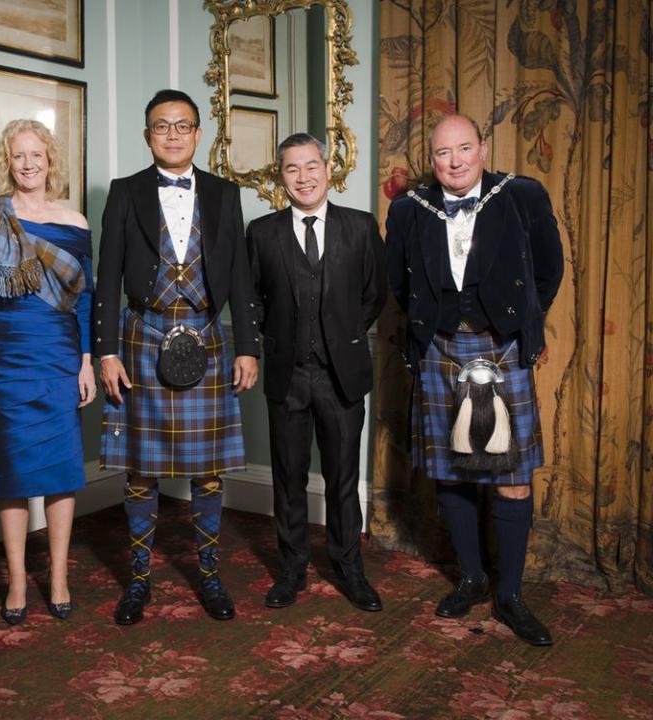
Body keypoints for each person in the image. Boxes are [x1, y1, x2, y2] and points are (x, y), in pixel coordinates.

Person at [385, 114, 564, 646]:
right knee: (451, 471)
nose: (456, 161)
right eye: (444, 152)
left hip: (501, 346)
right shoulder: (409, 209)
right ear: (432, 158)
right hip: (440, 347)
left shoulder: (521, 195)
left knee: (510, 476)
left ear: (483, 149)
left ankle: (509, 596)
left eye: (465, 149)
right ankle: (471, 577)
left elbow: (549, 269)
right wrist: (428, 328)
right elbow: (399, 281)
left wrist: (523, 324)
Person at [95, 89, 260, 625]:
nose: (172, 134)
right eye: (161, 126)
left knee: (207, 471)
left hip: (209, 338)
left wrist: (248, 348)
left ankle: (210, 577)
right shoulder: (124, 192)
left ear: (197, 133)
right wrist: (105, 352)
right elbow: (107, 279)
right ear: (147, 136)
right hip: (142, 337)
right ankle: (138, 582)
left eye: (182, 126)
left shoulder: (224, 193)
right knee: (140, 471)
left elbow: (239, 275)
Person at [0, 119, 94, 626]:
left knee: (62, 470)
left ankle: (58, 575)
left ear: (50, 160)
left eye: (37, 154)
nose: (29, 163)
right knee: (10, 474)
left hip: (59, 356)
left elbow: (85, 301)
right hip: (4, 357)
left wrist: (84, 362)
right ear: (7, 162)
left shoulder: (76, 221)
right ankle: (17, 578)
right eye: (19, 155)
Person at [247, 133, 386, 612]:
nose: (303, 177)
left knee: (343, 479)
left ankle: (350, 569)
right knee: (288, 478)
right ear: (280, 177)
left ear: (328, 170)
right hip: (288, 377)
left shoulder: (361, 227)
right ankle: (292, 570)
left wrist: (342, 338)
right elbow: (253, 301)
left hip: (342, 376)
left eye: (311, 166)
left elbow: (374, 296)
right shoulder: (261, 233)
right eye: (292, 169)